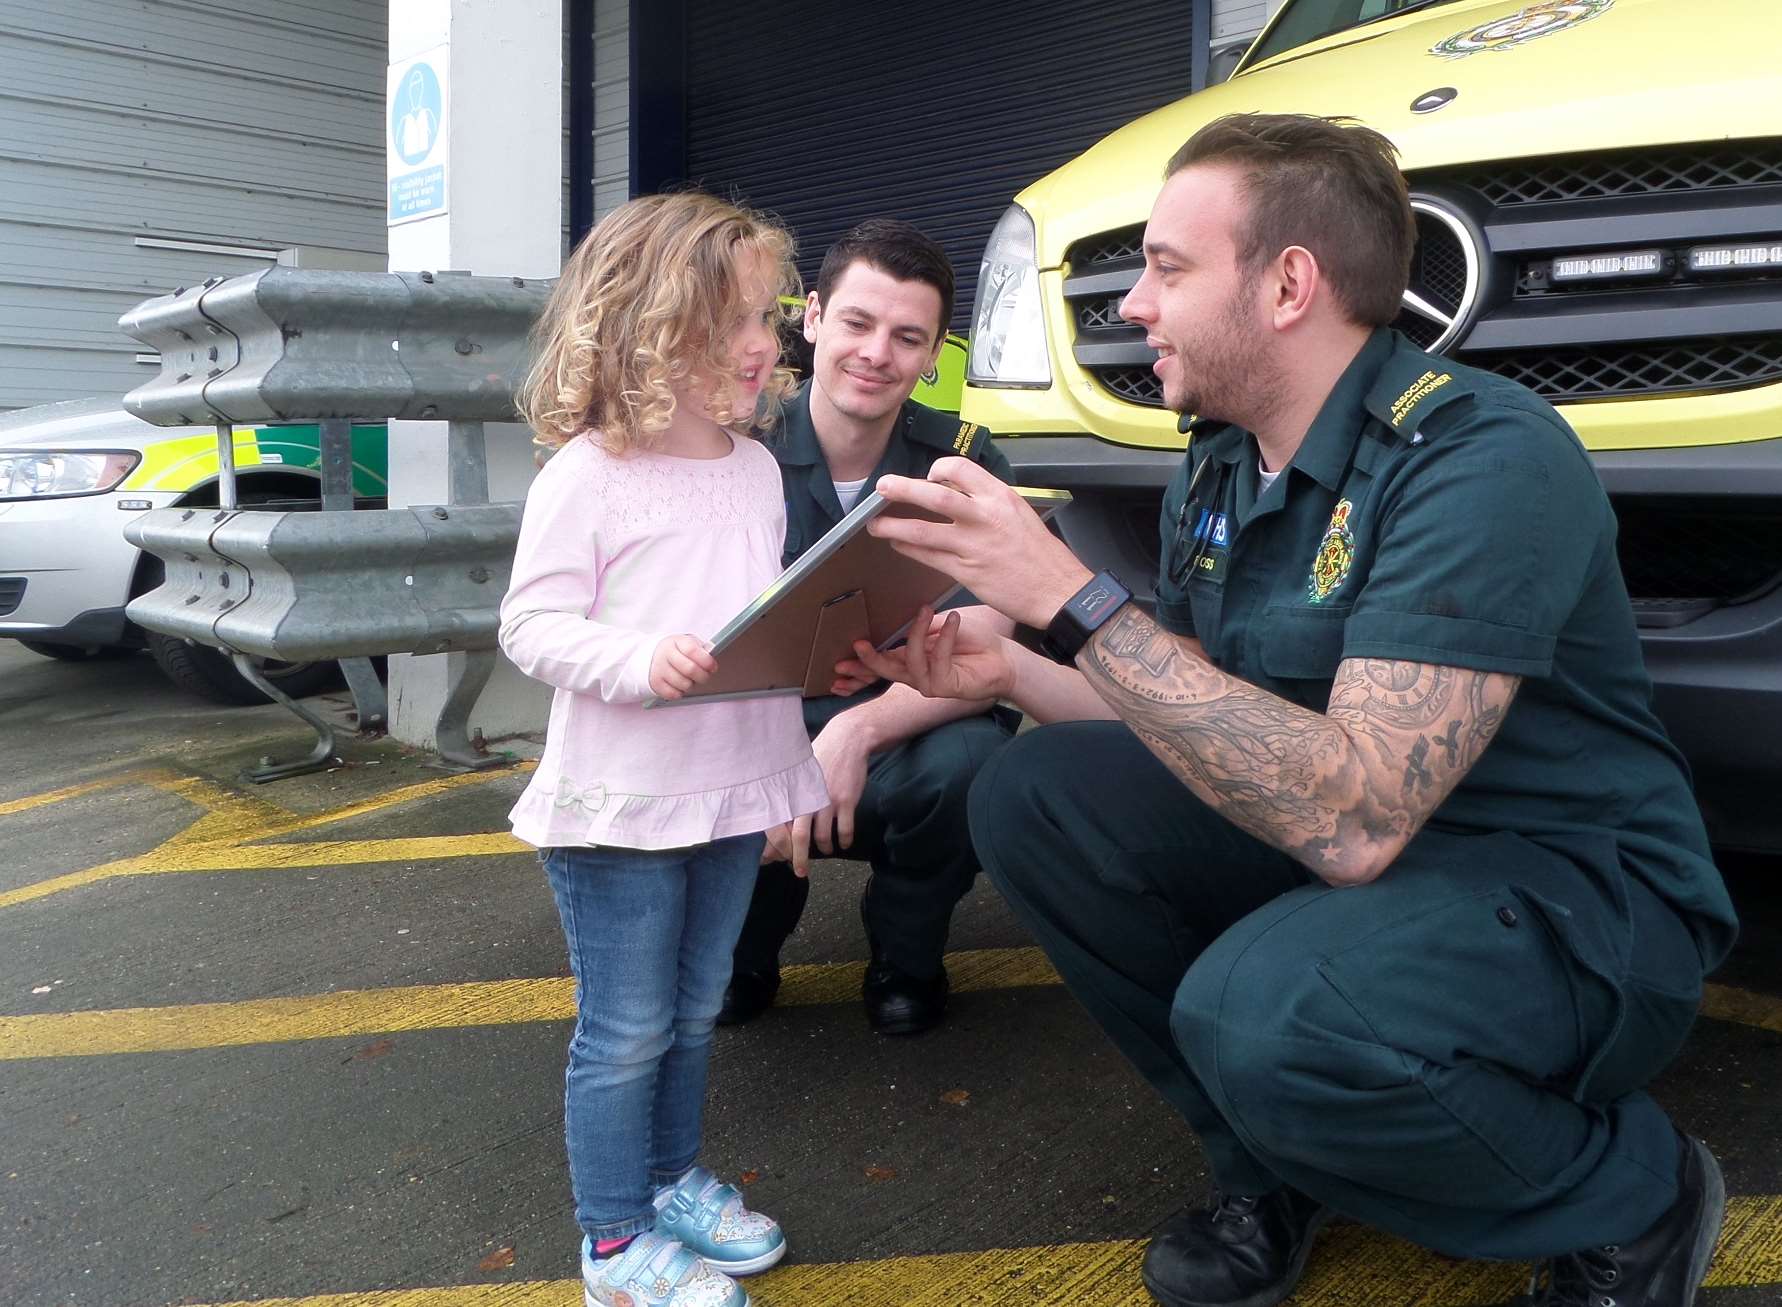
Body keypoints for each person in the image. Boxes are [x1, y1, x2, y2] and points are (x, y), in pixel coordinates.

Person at [851, 114, 1738, 1307]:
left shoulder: (1479, 458)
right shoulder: (1221, 466)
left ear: (1288, 284)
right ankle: (1272, 1165)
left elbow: (1357, 815)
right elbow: (1217, 727)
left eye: (1166, 270)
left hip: (1575, 902)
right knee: (1034, 795)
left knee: (1264, 1014)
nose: (1134, 307)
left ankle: (1632, 1193)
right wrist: (1009, 671)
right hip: (1384, 871)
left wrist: (1069, 596)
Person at [500, 191, 830, 1307]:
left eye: (770, 318)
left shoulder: (748, 467)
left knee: (693, 1011)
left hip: (729, 793)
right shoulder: (586, 473)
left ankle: (669, 1178)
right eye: (733, 321)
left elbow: (759, 623)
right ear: (645, 322)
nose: (763, 345)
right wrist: (640, 661)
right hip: (622, 804)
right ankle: (612, 1243)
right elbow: (531, 625)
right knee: (628, 1026)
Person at [718, 218, 1020, 1037]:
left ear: (933, 356)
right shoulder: (733, 444)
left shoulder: (962, 461)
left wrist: (857, 730)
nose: (877, 352)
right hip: (759, 710)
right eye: (857, 322)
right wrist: (784, 751)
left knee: (975, 763)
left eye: (907, 336)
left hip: (902, 724)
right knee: (713, 750)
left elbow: (991, 618)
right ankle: (743, 948)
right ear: (812, 317)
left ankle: (906, 956)